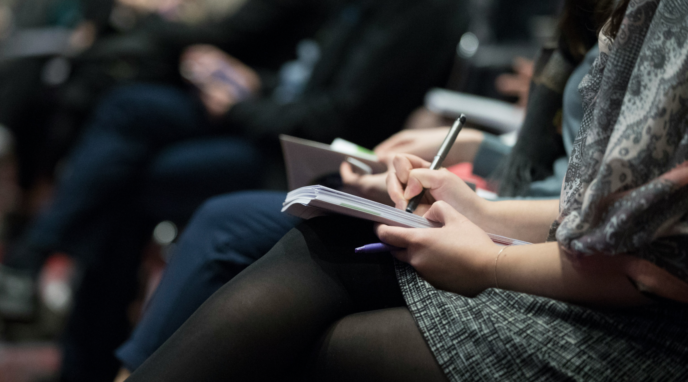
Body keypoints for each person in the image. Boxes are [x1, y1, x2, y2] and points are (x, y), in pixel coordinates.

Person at [127, 0, 688, 380]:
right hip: (576, 257)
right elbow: (593, 209)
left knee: (296, 320)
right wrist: (470, 201)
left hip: (645, 330)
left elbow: (646, 261)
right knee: (321, 235)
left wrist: (490, 256)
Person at [0, 0, 468, 380]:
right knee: (125, 109)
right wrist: (251, 83)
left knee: (130, 179)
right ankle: (50, 304)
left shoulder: (422, 11)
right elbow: (303, 74)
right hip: (272, 120)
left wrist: (243, 103)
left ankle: (76, 336)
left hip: (313, 161)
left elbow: (336, 116)